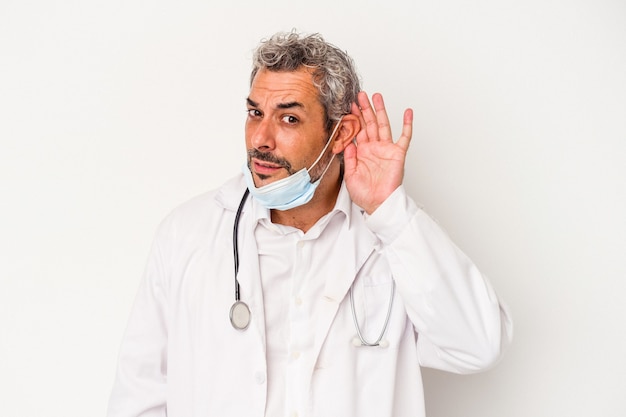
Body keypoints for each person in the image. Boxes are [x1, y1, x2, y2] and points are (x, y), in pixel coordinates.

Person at [107, 31, 513, 417]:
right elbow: (139, 397)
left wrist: (389, 212)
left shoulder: (392, 238)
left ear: (341, 134)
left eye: (289, 119)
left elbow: (478, 345)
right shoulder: (187, 234)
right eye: (255, 113)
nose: (260, 139)